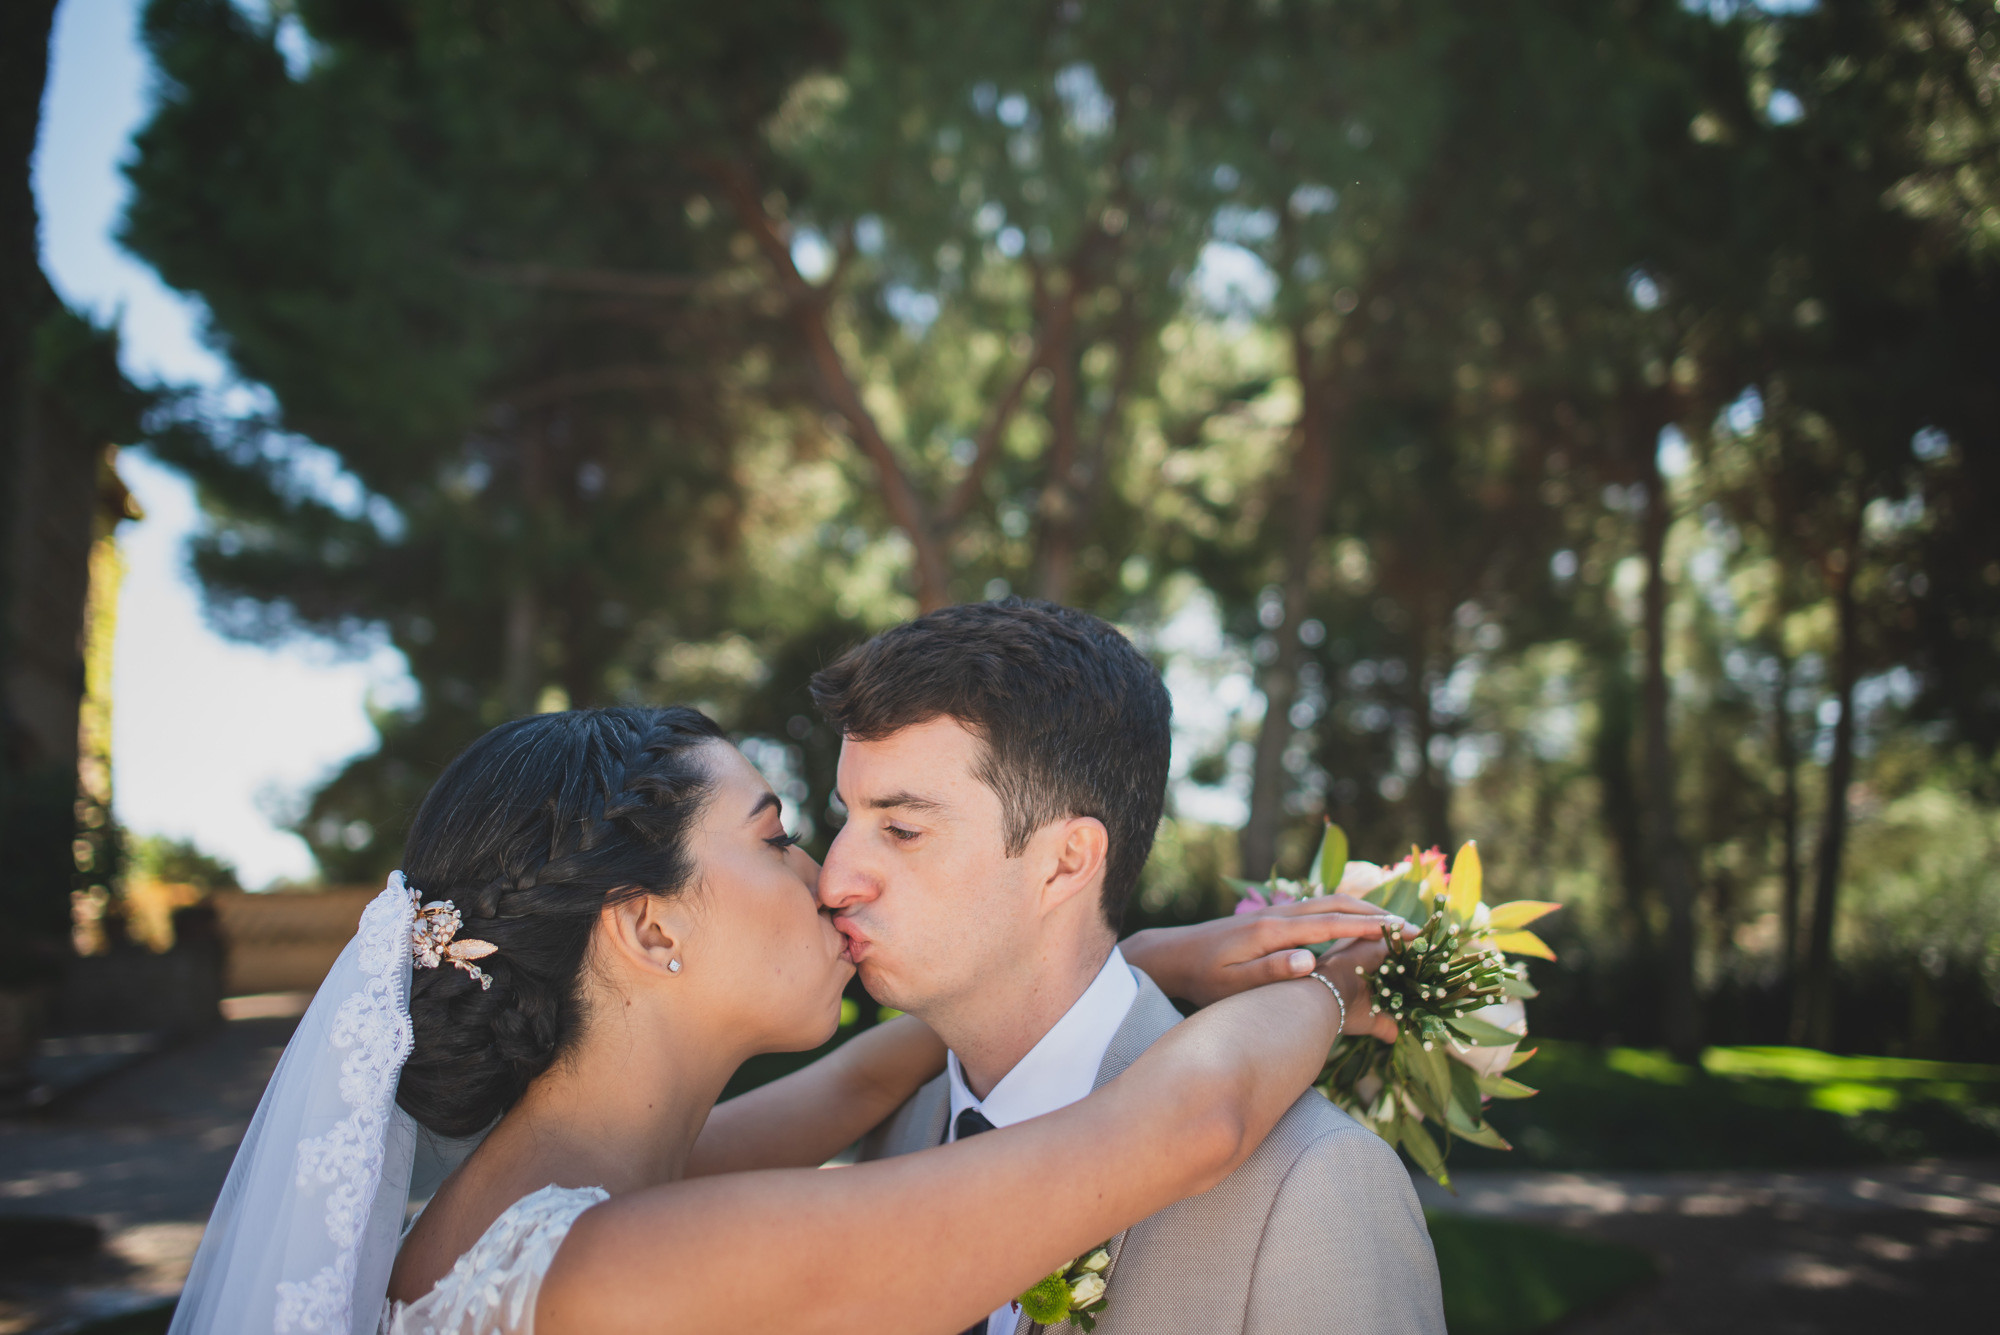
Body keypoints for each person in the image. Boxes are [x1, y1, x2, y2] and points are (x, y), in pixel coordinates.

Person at [168, 704, 1395, 1335]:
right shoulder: (611, 1266)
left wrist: (1111, 955)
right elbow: (1195, 1120)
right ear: (650, 929)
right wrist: (1337, 986)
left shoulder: (540, 1191)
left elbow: (861, 1081)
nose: (829, 875)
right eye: (775, 837)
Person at [814, 599, 1448, 1335]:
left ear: (1066, 862)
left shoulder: (1312, 1179)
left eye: (900, 829)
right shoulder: (894, 1133)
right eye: (847, 817)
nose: (834, 879)